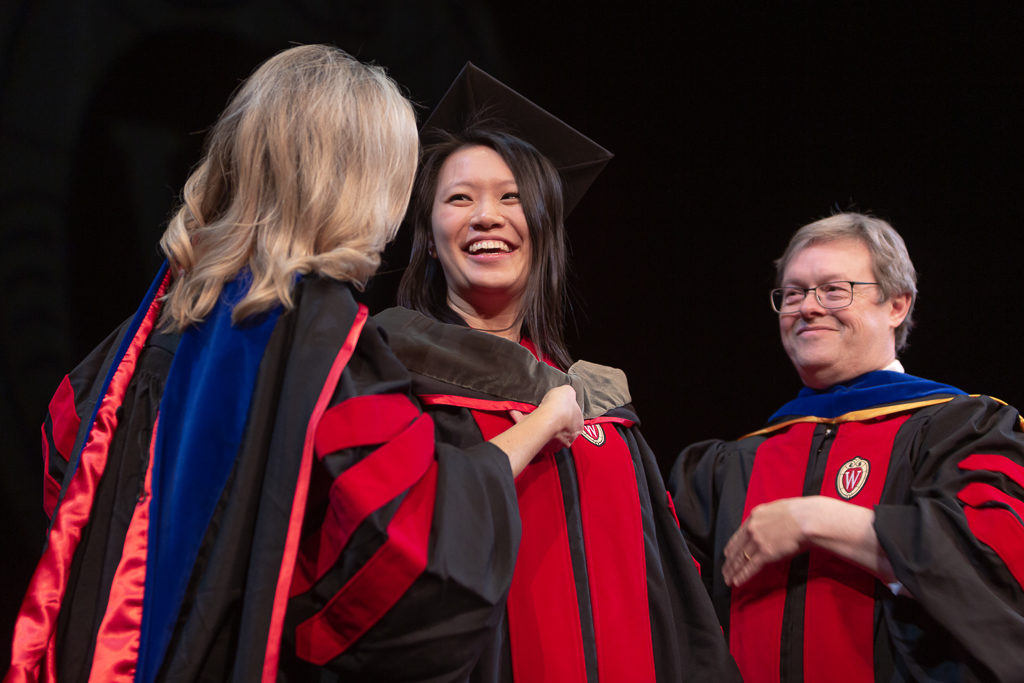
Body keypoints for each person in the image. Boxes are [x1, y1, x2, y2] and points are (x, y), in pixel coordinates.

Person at [6, 45, 584, 682]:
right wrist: (539, 425)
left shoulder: (159, 320)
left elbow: (68, 466)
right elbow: (410, 553)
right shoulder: (319, 338)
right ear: (358, 180)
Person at [376, 63, 739, 682]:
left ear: (543, 229)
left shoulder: (600, 403)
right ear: (429, 238)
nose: (486, 216)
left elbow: (671, 594)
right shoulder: (393, 370)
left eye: (510, 197)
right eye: (459, 198)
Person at [669, 212, 1024, 682]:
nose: (808, 307)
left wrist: (816, 519)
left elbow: (996, 558)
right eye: (793, 293)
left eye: (835, 290)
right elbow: (667, 605)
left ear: (897, 305)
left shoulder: (962, 429)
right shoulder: (727, 466)